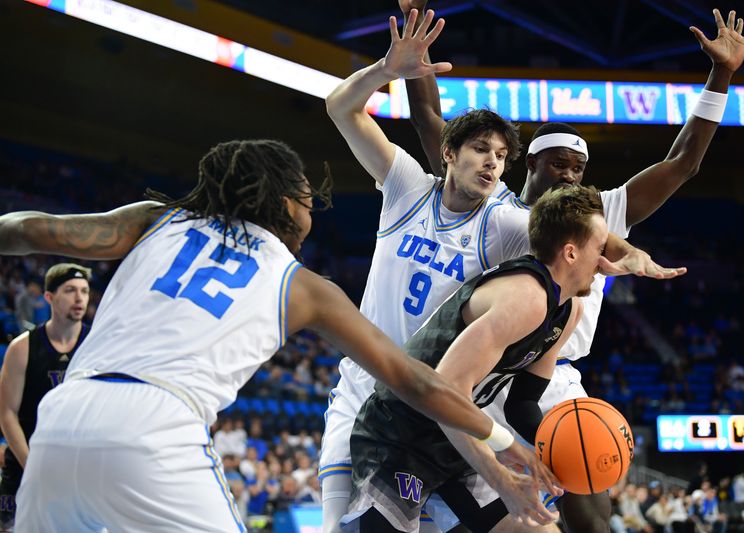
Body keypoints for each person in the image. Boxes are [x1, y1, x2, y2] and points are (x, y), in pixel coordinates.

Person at [0, 139, 549, 531]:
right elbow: (416, 381)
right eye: (308, 197)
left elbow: (30, 230)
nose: (314, 207)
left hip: (61, 417)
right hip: (158, 427)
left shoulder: (154, 218)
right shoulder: (301, 285)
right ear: (285, 203)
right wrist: (503, 442)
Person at [322, 8, 684, 532]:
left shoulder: (510, 222)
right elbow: (340, 107)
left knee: (533, 525)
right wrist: (386, 70)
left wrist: (627, 252)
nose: (492, 162)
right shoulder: (405, 186)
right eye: (480, 150)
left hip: (453, 404)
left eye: (500, 155)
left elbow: (574, 229)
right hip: (375, 395)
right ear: (449, 154)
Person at [403, 3, 744, 531]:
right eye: (558, 164)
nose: (570, 175)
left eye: (579, 167)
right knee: (490, 512)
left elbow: (685, 163)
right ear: (530, 164)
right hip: (487, 370)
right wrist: (416, 51)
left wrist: (721, 74)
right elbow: (434, 131)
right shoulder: (493, 203)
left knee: (587, 481)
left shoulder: (601, 210)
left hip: (554, 374)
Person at [342, 185, 603, 532]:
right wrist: (500, 478)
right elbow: (443, 395)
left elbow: (522, 405)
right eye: (600, 249)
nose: (604, 262)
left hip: (456, 437)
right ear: (570, 253)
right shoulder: (525, 298)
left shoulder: (568, 310)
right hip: (401, 432)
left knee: (536, 526)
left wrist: (563, 450)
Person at [0, 263, 91, 531]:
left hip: (78, 465)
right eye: (70, 290)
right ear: (49, 297)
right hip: (25, 464)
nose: (79, 298)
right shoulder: (22, 347)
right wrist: (33, 466)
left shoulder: (97, 343)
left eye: (85, 291)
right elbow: (6, 413)